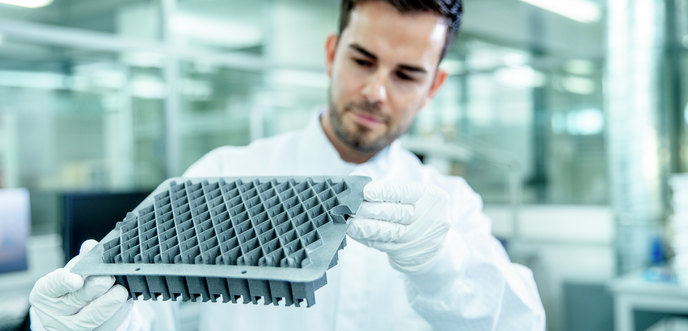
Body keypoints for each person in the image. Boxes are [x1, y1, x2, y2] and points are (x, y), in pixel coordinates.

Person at [28, 0, 546, 330]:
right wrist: (98, 323)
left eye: (407, 74)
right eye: (362, 60)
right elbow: (153, 315)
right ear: (331, 54)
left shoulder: (450, 207)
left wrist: (445, 267)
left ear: (433, 87)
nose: (375, 91)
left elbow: (520, 323)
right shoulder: (221, 175)